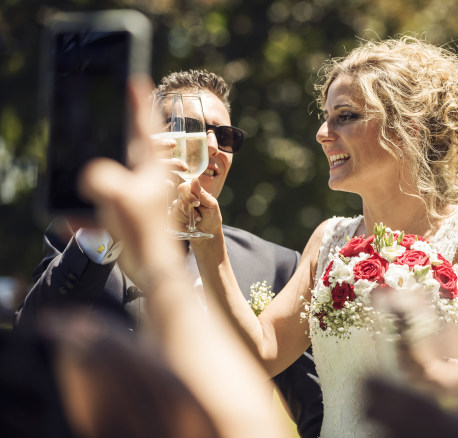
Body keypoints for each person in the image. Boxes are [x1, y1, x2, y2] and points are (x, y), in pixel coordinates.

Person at [175, 37, 458, 437]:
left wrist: (441, 374)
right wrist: (209, 241)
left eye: (344, 116)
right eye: (325, 117)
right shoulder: (327, 241)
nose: (322, 133)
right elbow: (261, 353)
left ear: (407, 129)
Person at [15, 69, 323, 438]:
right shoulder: (81, 238)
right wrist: (109, 227)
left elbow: (317, 414)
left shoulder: (276, 264)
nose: (211, 144)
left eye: (225, 136)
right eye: (190, 127)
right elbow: (31, 331)